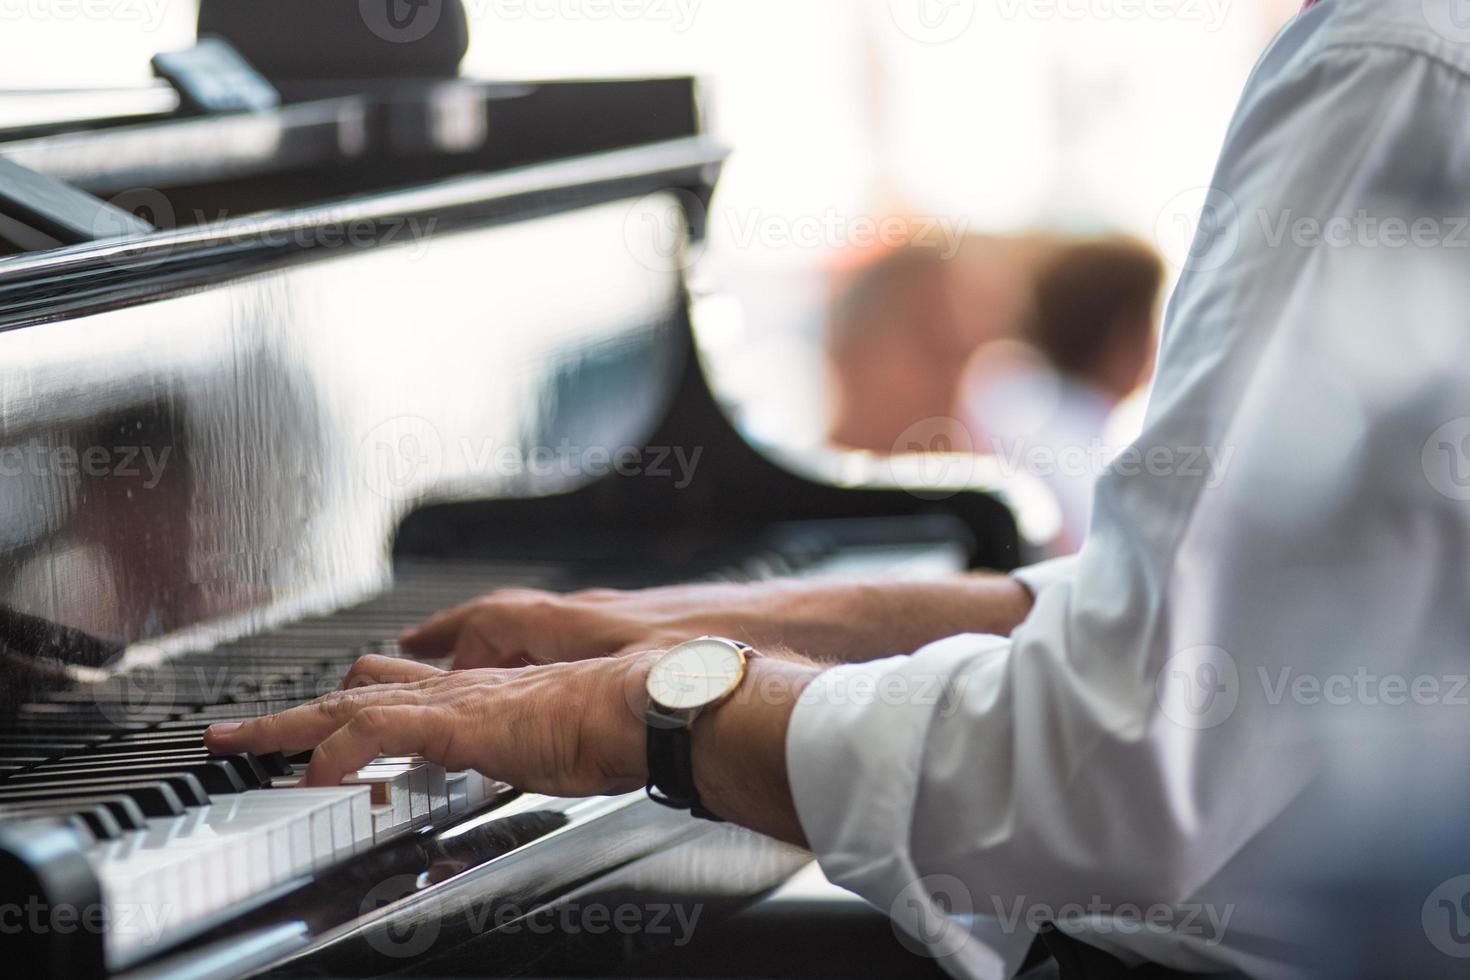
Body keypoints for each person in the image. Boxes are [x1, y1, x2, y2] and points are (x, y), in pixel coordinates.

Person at [207, 1, 1470, 975]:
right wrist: (746, 628)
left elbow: (1136, 757)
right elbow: (1270, 626)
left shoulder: (1397, 62)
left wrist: (637, 707)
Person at [960, 238, 1164, 554]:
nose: (1158, 340)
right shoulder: (1077, 458)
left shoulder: (1007, 402)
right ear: (1125, 334)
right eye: (1152, 319)